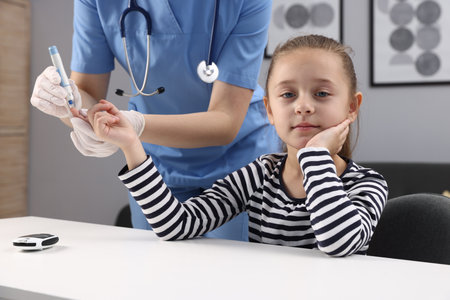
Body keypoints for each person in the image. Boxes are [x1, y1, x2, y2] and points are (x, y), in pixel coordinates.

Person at [81, 35, 388, 256]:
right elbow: (176, 224)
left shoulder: (367, 185)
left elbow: (340, 243)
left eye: (321, 94)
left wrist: (316, 157)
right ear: (268, 110)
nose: (303, 106)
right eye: (288, 95)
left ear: (351, 106)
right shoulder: (260, 175)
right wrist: (132, 145)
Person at [30, 0, 281, 240]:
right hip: (154, 168)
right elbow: (86, 94)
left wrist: (133, 126)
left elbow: (226, 120)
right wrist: (65, 101)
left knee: (233, 277)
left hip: (238, 168)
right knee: (156, 276)